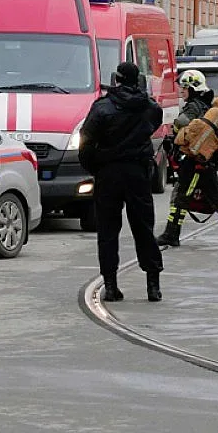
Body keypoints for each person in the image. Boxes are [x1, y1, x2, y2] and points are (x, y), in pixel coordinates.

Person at [78, 61, 164, 302]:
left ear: (116, 79)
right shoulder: (149, 107)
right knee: (144, 229)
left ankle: (111, 285)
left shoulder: (103, 107)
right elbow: (154, 124)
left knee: (107, 231)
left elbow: (86, 140)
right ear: (138, 80)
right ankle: (153, 285)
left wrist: (95, 166)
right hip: (138, 172)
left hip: (108, 173)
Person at [156, 69, 218, 247]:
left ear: (193, 88)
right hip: (206, 162)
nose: (182, 91)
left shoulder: (193, 107)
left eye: (185, 88)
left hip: (195, 162)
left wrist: (174, 135)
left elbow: (183, 127)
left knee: (182, 197)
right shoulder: (206, 106)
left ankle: (171, 234)